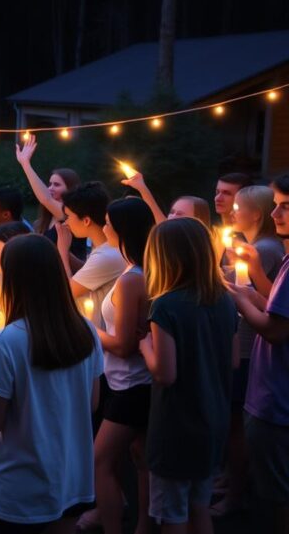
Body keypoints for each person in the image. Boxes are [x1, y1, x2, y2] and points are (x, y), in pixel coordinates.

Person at [0, 234, 103, 532]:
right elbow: (92, 402)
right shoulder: (86, 331)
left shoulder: (8, 340)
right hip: (72, 475)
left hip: (22, 484)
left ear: (14, 282)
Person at [140, 218, 237, 534]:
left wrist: (145, 347)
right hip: (213, 419)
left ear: (162, 257)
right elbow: (234, 360)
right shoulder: (224, 299)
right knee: (199, 505)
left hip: (176, 425)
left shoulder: (166, 306)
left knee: (172, 513)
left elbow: (165, 374)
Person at [85, 197, 155, 534]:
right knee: (141, 458)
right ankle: (143, 525)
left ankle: (113, 524)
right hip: (134, 381)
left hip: (130, 384)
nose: (104, 227)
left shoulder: (132, 278)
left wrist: (89, 328)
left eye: (109, 222)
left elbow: (125, 345)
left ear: (123, 229)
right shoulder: (135, 270)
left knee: (100, 460)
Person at [227, 173, 289, 534]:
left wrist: (238, 297)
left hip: (276, 399)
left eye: (285, 207)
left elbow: (275, 329)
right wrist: (250, 284)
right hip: (272, 395)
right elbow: (275, 308)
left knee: (276, 499)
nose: (276, 214)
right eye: (276, 205)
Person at [58, 182, 127, 328]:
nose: (66, 222)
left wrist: (62, 252)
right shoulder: (103, 248)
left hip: (100, 338)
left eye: (69, 216)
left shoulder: (106, 255)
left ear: (86, 220)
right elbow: (88, 271)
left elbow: (65, 293)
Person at [15, 134, 87, 260]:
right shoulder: (42, 221)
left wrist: (26, 164)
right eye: (50, 184)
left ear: (70, 188)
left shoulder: (71, 214)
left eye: (57, 185)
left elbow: (45, 198)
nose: (50, 188)